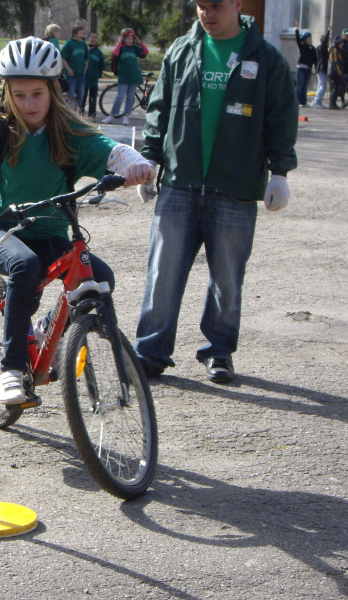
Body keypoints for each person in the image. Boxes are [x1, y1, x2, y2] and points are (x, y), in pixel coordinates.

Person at [0, 37, 154, 403]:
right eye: (19, 95)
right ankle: (11, 371)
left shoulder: (69, 132)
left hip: (47, 229)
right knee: (25, 266)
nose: (28, 104)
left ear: (54, 91)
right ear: (7, 93)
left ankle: (48, 329)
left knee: (100, 277)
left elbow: (111, 151)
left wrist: (136, 164)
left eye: (37, 94)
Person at [134, 0, 298, 384]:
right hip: (179, 181)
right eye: (201, 5)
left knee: (227, 277)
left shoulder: (266, 58)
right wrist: (150, 160)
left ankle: (219, 351)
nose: (208, 13)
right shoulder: (180, 50)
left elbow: (281, 116)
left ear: (237, 4)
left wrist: (281, 172)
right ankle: (151, 351)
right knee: (163, 272)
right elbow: (159, 109)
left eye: (217, 5)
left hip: (235, 186)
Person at [102, 28, 149, 125]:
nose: (130, 41)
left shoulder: (134, 48)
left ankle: (126, 116)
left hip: (134, 76)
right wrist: (119, 42)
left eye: (131, 39)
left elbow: (145, 52)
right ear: (123, 39)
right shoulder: (121, 48)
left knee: (130, 97)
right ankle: (111, 115)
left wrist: (140, 43)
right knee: (120, 96)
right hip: (123, 76)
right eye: (128, 39)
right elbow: (115, 53)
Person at [61, 24, 89, 112]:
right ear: (75, 33)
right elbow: (63, 57)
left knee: (81, 95)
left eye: (83, 33)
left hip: (81, 74)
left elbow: (87, 58)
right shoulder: (69, 44)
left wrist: (85, 69)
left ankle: (77, 112)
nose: (82, 35)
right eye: (81, 33)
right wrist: (68, 69)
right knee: (70, 95)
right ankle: (69, 112)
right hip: (71, 75)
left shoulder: (83, 44)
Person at [82, 31, 105, 120]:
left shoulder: (99, 52)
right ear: (89, 38)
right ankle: (81, 113)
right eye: (92, 37)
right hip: (84, 78)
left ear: (97, 39)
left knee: (93, 98)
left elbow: (102, 65)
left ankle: (92, 115)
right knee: (83, 97)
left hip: (94, 79)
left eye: (95, 37)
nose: (93, 39)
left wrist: (99, 73)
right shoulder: (85, 49)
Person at [294, 21, 317, 107]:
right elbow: (297, 39)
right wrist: (297, 29)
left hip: (308, 68)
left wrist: (316, 68)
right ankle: (298, 102)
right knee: (300, 86)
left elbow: (315, 59)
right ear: (305, 40)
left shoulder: (313, 48)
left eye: (311, 38)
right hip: (301, 68)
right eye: (309, 38)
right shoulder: (302, 46)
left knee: (305, 86)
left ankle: (304, 102)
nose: (310, 39)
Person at [312, 25, 331, 109]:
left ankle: (317, 101)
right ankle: (316, 102)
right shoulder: (322, 48)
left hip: (320, 69)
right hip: (322, 69)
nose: (329, 42)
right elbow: (325, 42)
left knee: (321, 86)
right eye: (328, 41)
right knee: (322, 86)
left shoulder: (321, 49)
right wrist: (329, 30)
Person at [329, 35, 346, 109]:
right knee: (335, 88)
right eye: (341, 42)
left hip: (337, 72)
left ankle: (336, 102)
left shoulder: (338, 50)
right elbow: (335, 63)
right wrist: (340, 74)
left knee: (338, 87)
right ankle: (332, 104)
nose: (342, 44)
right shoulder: (335, 50)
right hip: (335, 72)